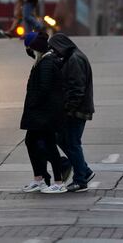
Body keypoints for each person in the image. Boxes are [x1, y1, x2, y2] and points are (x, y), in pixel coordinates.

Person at [19, 31, 68, 194]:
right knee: (32, 142)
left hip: (45, 114)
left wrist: (33, 104)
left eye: (30, 49)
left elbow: (44, 89)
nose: (28, 52)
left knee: (48, 145)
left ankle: (58, 181)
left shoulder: (46, 63)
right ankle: (39, 179)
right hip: (40, 114)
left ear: (36, 48)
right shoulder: (42, 61)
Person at [49, 32, 95, 192]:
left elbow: (77, 89)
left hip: (77, 111)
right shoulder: (72, 57)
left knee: (72, 143)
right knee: (62, 139)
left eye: (55, 49)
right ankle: (84, 170)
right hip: (75, 109)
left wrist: (68, 109)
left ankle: (80, 179)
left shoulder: (75, 59)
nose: (54, 52)